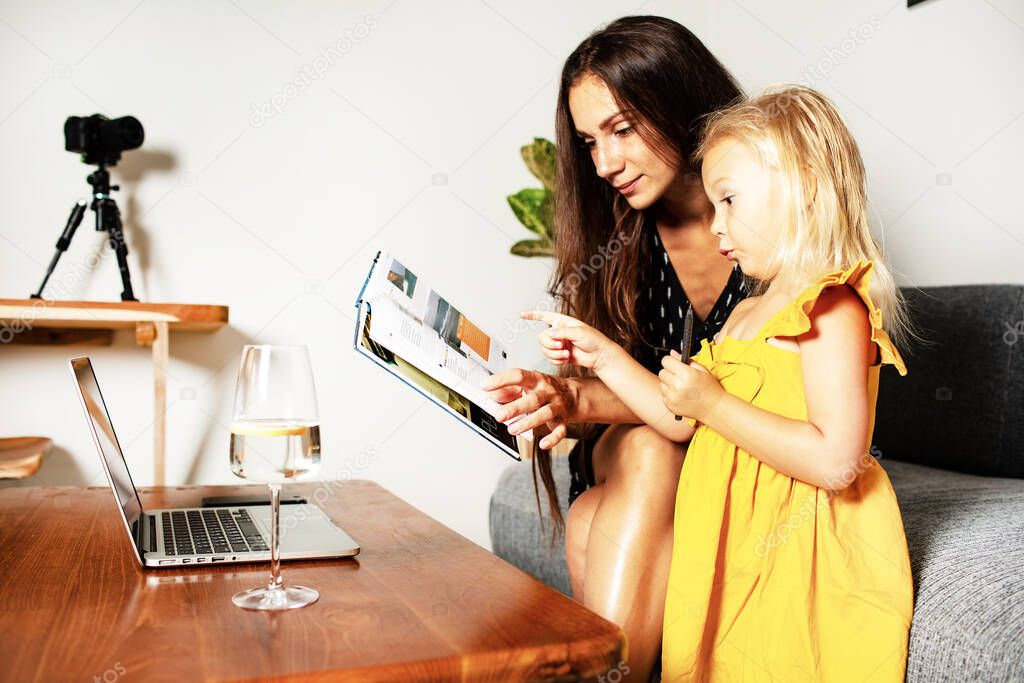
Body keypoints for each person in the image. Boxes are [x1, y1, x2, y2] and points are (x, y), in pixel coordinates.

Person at [524, 85, 915, 681]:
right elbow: (678, 416)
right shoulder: (741, 316)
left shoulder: (831, 306)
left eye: (730, 201)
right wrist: (600, 357)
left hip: (797, 550)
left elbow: (838, 461)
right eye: (712, 205)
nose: (715, 226)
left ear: (805, 185)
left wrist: (714, 401)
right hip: (729, 540)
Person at [481, 16, 746, 681]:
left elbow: (750, 399)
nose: (604, 164)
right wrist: (564, 396)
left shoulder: (767, 223)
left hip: (728, 445)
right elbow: (647, 406)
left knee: (590, 524)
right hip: (635, 444)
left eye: (622, 129)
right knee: (657, 447)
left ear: (682, 101)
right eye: (589, 141)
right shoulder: (618, 234)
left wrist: (582, 394)